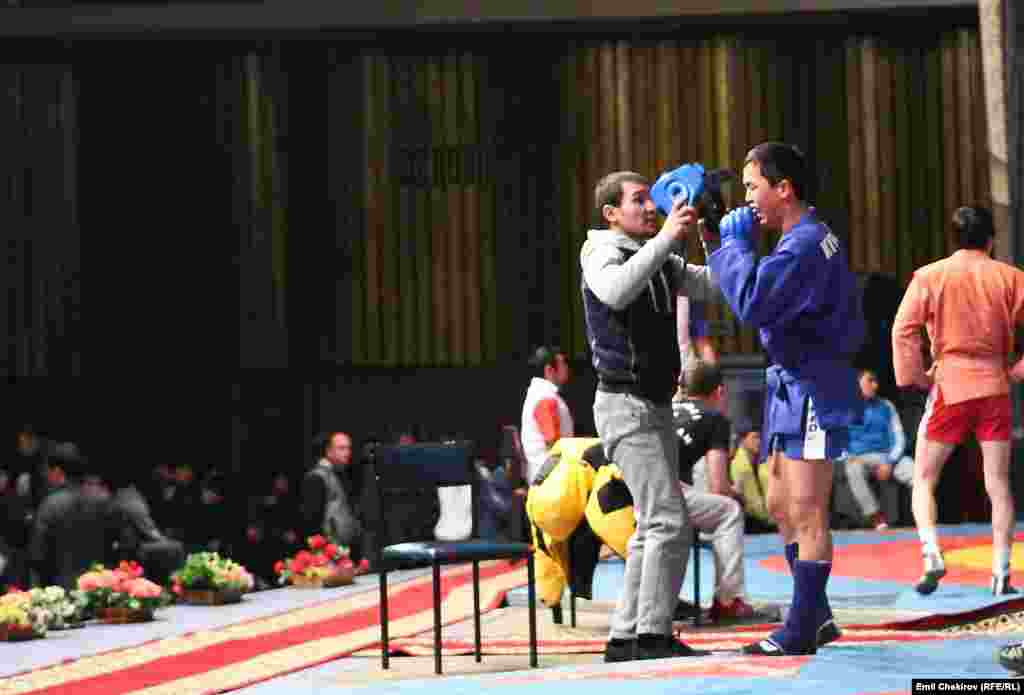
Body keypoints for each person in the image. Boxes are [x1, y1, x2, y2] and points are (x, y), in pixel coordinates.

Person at [706, 142, 864, 655]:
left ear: (784, 189)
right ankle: (817, 615)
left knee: (807, 509)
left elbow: (753, 302)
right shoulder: (802, 238)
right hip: (791, 383)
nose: (748, 199)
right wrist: (720, 243)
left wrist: (732, 247)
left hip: (812, 384)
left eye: (753, 187)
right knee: (778, 502)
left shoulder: (803, 245)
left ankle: (801, 628)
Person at [581, 170, 717, 662]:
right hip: (624, 405)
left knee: (651, 526)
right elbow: (615, 292)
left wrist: (714, 237)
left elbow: (715, 285)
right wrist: (665, 240)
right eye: (638, 200)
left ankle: (625, 638)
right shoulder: (600, 251)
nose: (651, 207)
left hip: (654, 404)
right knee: (667, 522)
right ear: (611, 213)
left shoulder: (658, 257)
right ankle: (653, 636)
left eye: (649, 199)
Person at [892, 206, 1024, 596]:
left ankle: (931, 553)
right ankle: (1001, 573)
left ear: (954, 238)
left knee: (923, 478)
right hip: (995, 387)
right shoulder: (1010, 277)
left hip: (950, 387)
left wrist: (915, 378)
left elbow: (903, 330)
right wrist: (1017, 371)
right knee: (998, 484)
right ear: (991, 239)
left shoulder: (930, 276)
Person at [673, 361, 778, 622]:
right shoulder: (714, 419)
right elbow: (719, 486)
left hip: (624, 491)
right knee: (729, 510)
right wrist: (737, 496)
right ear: (719, 392)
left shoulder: (668, 410)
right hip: (662, 495)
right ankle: (728, 602)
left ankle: (666, 599)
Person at [842, 368, 914, 530]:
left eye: (875, 381)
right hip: (859, 458)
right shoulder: (845, 408)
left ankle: (922, 514)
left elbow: (899, 437)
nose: (875, 385)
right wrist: (849, 456)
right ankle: (876, 516)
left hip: (888, 456)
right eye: (870, 381)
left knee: (916, 472)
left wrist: (889, 461)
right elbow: (837, 440)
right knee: (852, 469)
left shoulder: (886, 406)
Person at [301, 431, 365, 569]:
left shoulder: (341, 474)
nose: (347, 452)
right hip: (328, 559)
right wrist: (321, 556)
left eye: (348, 448)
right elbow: (311, 523)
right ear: (329, 451)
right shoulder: (316, 478)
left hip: (344, 554)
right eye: (341, 448)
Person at [520, 346, 574, 485]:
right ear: (549, 370)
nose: (567, 368)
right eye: (563, 364)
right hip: (550, 481)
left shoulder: (540, 393)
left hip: (549, 476)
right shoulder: (544, 397)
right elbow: (553, 444)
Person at [729, 425, 776, 533]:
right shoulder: (733, 463)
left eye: (761, 438)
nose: (759, 442)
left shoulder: (766, 461)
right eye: (755, 437)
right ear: (743, 440)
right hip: (748, 522)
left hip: (770, 520)